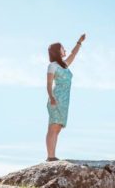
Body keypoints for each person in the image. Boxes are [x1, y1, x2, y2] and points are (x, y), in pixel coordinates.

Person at [45, 33, 86, 162]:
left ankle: (52, 156)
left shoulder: (64, 65)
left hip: (64, 101)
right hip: (56, 99)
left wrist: (79, 42)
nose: (65, 50)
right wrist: (51, 98)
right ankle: (50, 157)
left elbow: (73, 54)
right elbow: (49, 84)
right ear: (57, 51)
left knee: (57, 128)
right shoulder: (52, 66)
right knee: (53, 126)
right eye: (63, 48)